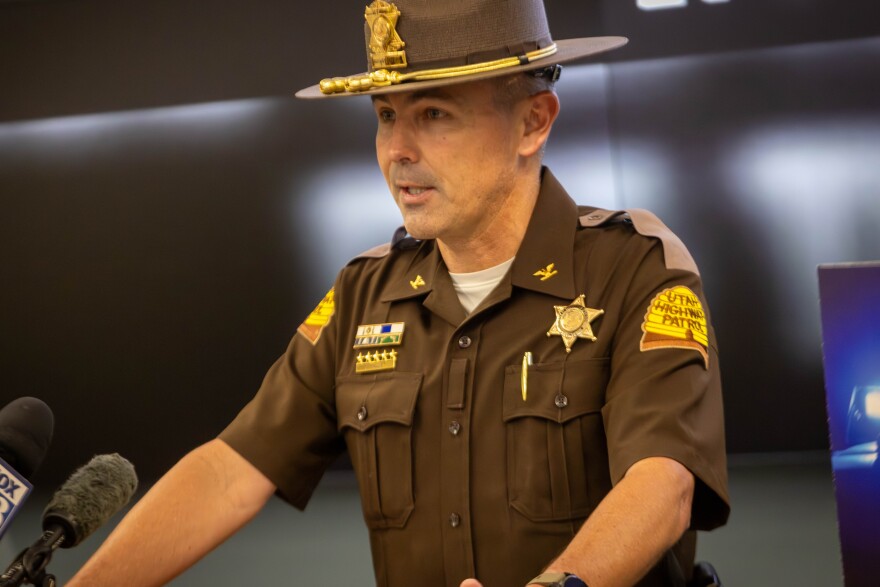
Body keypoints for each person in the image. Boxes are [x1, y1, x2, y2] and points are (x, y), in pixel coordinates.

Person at [68, 1, 729, 586]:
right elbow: (229, 470)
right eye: (386, 115)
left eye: (434, 114)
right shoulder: (365, 292)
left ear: (533, 121)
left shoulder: (637, 268)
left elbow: (662, 482)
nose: (396, 151)